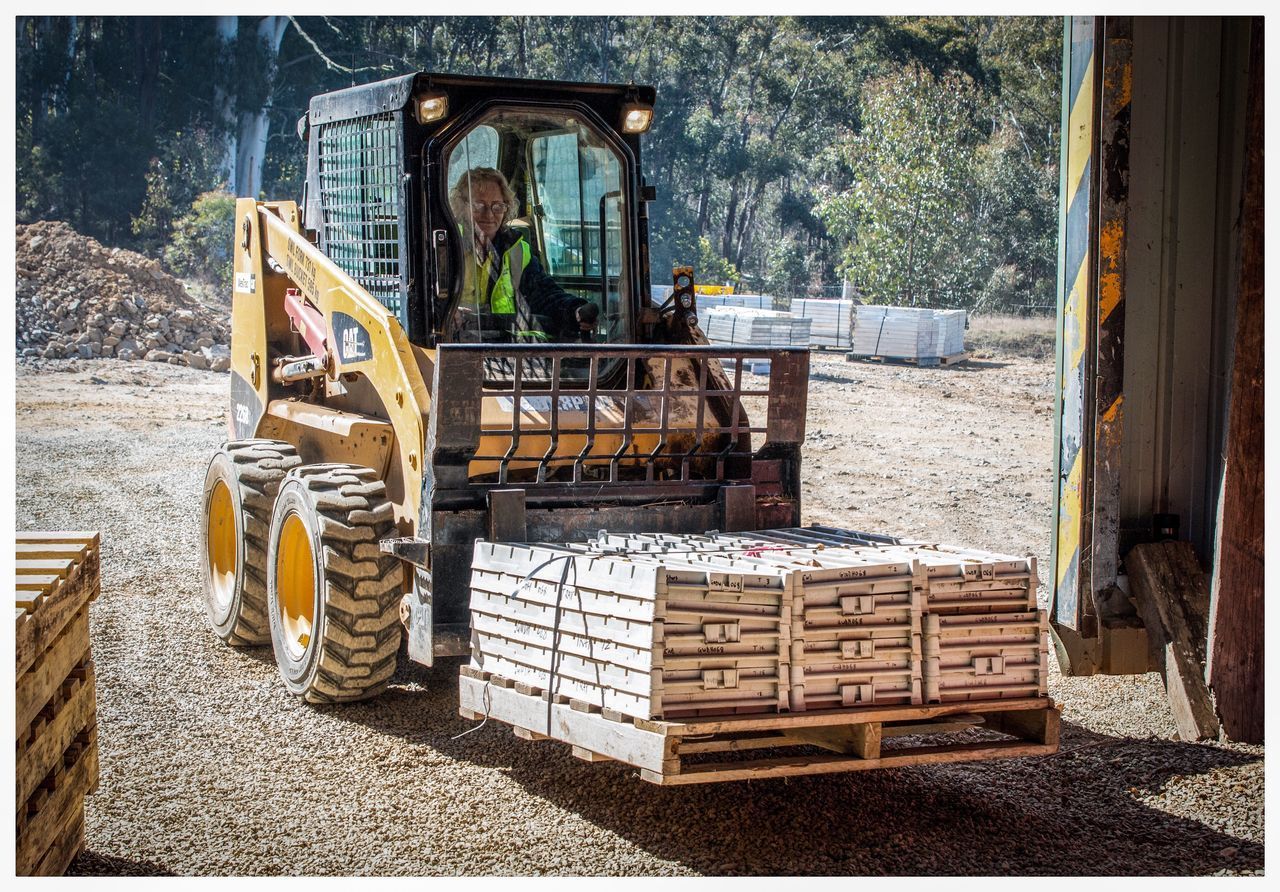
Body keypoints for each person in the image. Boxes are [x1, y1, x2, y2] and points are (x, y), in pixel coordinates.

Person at [448, 167, 598, 342]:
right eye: (478, 205)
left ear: (506, 208)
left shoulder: (517, 251)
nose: (488, 214)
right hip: (456, 347)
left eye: (497, 206)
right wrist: (448, 312)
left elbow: (544, 295)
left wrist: (576, 312)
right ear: (461, 206)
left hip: (506, 349)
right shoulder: (446, 247)